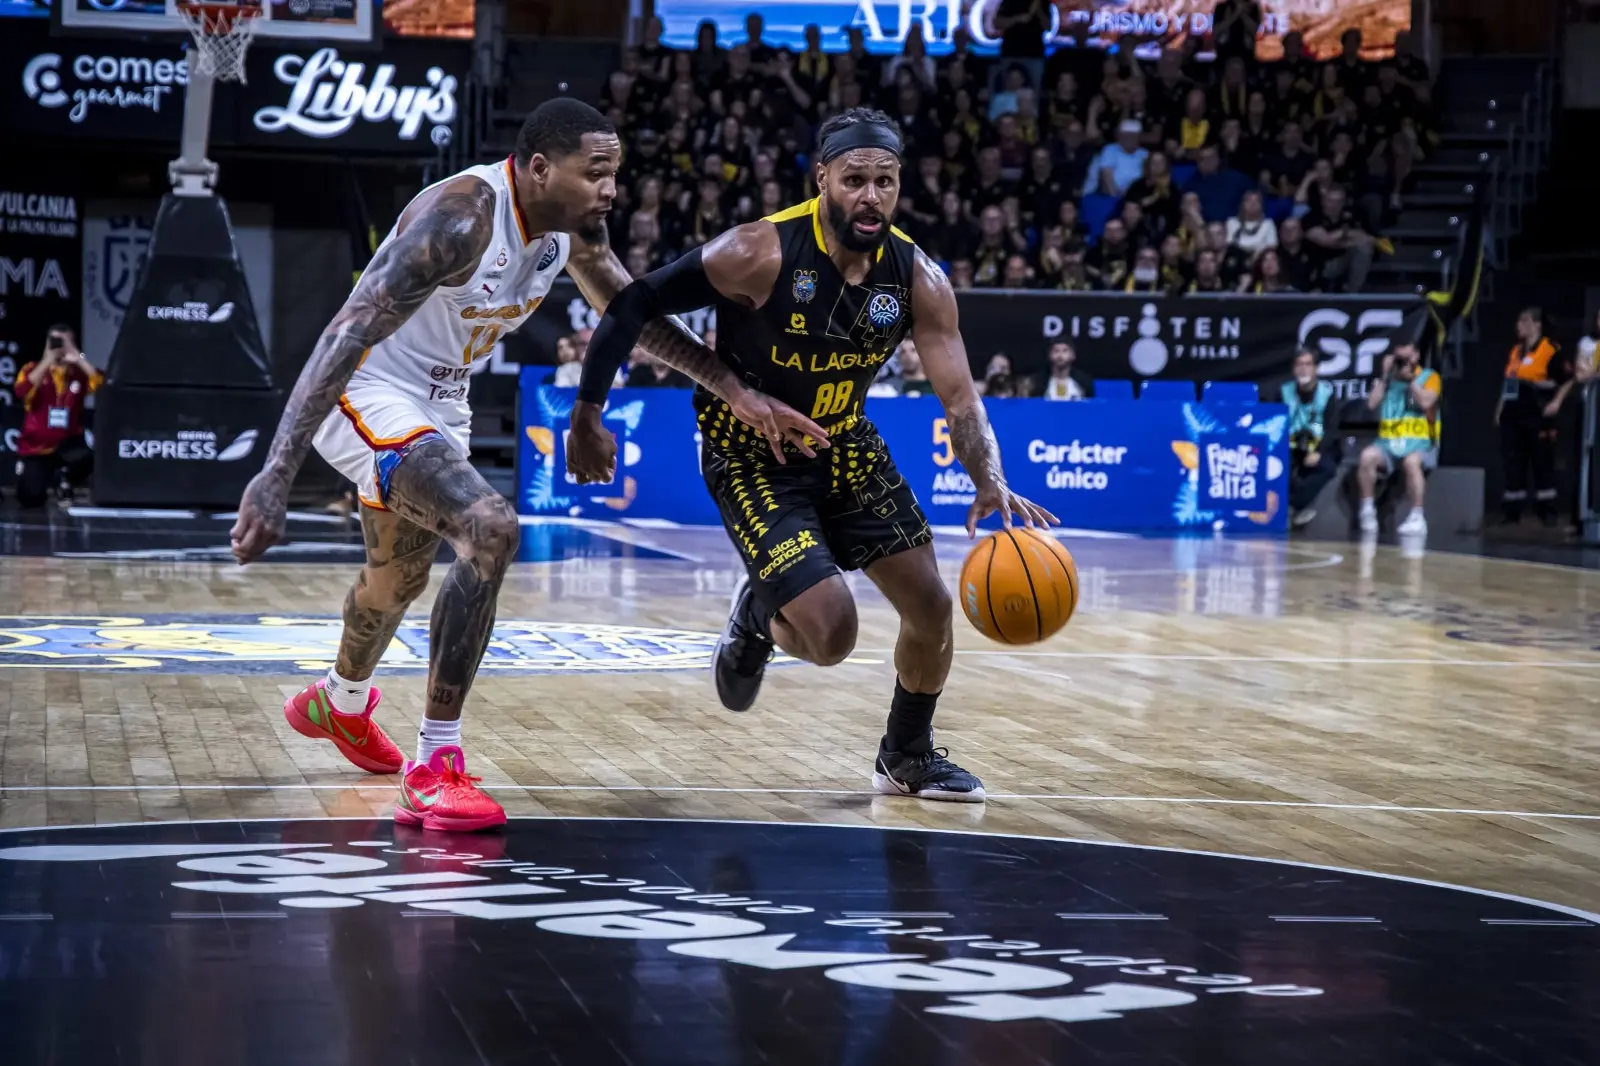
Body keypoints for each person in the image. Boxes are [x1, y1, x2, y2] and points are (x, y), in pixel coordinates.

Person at [228, 99, 817, 833]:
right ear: (539, 168)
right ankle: (436, 763)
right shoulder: (463, 218)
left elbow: (630, 315)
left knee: (396, 581)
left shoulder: (573, 231)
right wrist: (277, 472)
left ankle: (338, 704)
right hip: (373, 387)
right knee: (489, 526)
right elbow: (344, 332)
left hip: (443, 400)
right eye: (595, 172)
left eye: (615, 174)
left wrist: (734, 387)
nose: (610, 189)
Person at [568, 108, 1058, 802]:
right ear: (822, 177)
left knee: (932, 607)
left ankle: (906, 755)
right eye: (855, 179)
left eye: (885, 181)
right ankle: (757, 616)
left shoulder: (919, 277)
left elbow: (961, 398)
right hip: (750, 450)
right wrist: (591, 408)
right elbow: (631, 305)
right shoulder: (758, 250)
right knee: (832, 637)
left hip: (843, 439)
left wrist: (990, 478)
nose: (871, 197)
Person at [1494, 306, 1568, 526]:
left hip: (1537, 413)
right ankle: (1512, 512)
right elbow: (1509, 383)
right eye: (1518, 322)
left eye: (1524, 321)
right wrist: (1499, 409)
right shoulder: (1516, 351)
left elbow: (1565, 380)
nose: (1519, 326)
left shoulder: (1550, 349)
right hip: (1514, 414)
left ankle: (1547, 512)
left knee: (1542, 462)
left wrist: (1556, 401)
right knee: (1513, 463)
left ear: (1536, 325)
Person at [1356, 343, 1440, 536]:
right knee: (1367, 456)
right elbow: (1371, 403)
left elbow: (1426, 401)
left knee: (1411, 462)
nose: (1403, 363)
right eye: (1399, 359)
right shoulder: (1388, 380)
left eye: (1407, 358)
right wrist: (1385, 376)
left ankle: (1417, 517)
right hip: (1388, 444)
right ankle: (1367, 510)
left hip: (1420, 444)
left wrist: (1412, 380)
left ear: (1417, 356)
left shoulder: (1430, 377)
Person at [12, 324, 99, 508]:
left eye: (65, 342)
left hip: (68, 446)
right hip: (37, 448)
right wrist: (47, 359)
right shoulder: (32, 369)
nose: (60, 347)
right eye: (56, 341)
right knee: (30, 498)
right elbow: (21, 391)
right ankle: (43, 481)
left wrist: (79, 357)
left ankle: (65, 481)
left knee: (91, 458)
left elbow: (101, 383)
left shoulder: (78, 374)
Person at [1281, 349, 1335, 527]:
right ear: (1293, 369)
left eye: (1308, 364)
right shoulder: (1283, 392)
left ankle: (1292, 504)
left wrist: (1318, 452)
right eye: (1299, 365)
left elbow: (1332, 429)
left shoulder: (1327, 394)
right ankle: (1293, 506)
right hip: (1289, 446)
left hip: (1316, 446)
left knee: (1327, 467)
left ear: (1316, 369)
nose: (1303, 369)